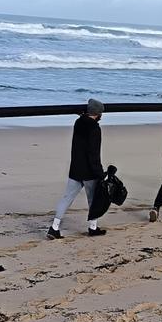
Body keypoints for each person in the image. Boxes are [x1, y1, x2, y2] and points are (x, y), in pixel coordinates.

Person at [47, 99, 108, 239]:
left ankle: (54, 227)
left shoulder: (78, 122)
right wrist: (99, 173)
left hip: (75, 168)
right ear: (98, 113)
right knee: (93, 200)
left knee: (66, 198)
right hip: (89, 172)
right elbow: (93, 154)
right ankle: (93, 227)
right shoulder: (95, 128)